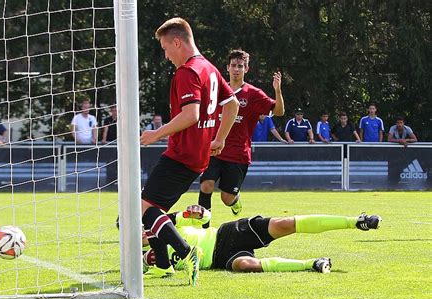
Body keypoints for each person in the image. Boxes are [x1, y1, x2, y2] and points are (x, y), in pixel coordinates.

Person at [139, 17, 239, 284]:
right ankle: (162, 264)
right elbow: (233, 105)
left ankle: (185, 253)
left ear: (177, 41)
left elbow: (191, 114)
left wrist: (155, 134)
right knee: (153, 210)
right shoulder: (209, 67)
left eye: (165, 48)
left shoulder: (188, 71)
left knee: (144, 209)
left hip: (181, 155)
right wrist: (220, 139)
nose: (166, 55)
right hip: (197, 156)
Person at [143, 205, 382, 274]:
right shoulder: (151, 261)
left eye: (143, 230)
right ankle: (311, 263)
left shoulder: (168, 223)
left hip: (226, 234)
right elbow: (150, 261)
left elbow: (205, 218)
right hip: (221, 259)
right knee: (246, 265)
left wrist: (198, 212)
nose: (142, 235)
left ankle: (355, 220)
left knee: (284, 224)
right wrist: (149, 258)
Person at [198, 49, 284, 228]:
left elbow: (279, 111)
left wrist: (277, 91)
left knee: (226, 198)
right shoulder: (218, 90)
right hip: (214, 148)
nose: (236, 69)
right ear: (227, 68)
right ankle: (204, 230)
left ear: (246, 69)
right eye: (233, 66)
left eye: (240, 66)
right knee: (206, 186)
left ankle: (235, 200)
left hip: (238, 155)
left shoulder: (253, 94)